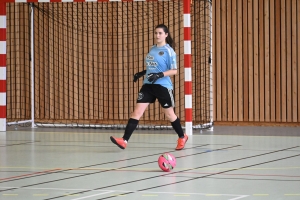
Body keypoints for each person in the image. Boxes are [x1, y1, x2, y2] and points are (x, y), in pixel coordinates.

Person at [110, 24, 188, 150]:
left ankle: (182, 136)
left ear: (166, 35)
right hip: (148, 85)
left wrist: (159, 75)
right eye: (156, 33)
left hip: (163, 86)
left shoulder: (169, 51)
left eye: (160, 33)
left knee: (169, 114)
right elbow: (152, 67)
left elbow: (174, 71)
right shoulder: (152, 49)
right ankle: (124, 140)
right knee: (137, 112)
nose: (157, 35)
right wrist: (142, 73)